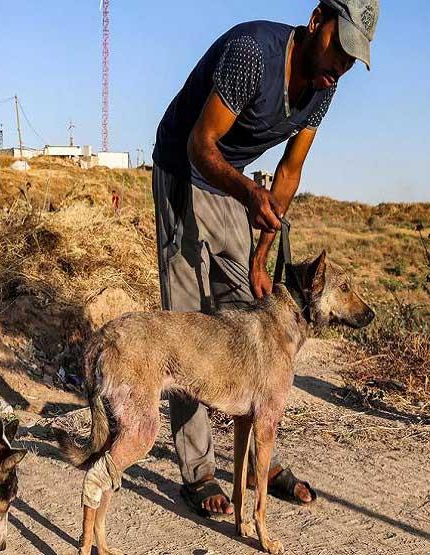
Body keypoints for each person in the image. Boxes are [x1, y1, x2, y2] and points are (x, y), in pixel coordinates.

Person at [151, 0, 378, 516]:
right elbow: (200, 143)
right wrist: (250, 197)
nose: (339, 66)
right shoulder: (254, 53)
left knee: (249, 317)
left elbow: (289, 173)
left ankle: (259, 460)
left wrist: (261, 253)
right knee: (189, 327)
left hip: (230, 177)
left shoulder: (323, 89)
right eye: (338, 48)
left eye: (351, 59)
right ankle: (200, 471)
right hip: (184, 165)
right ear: (317, 21)